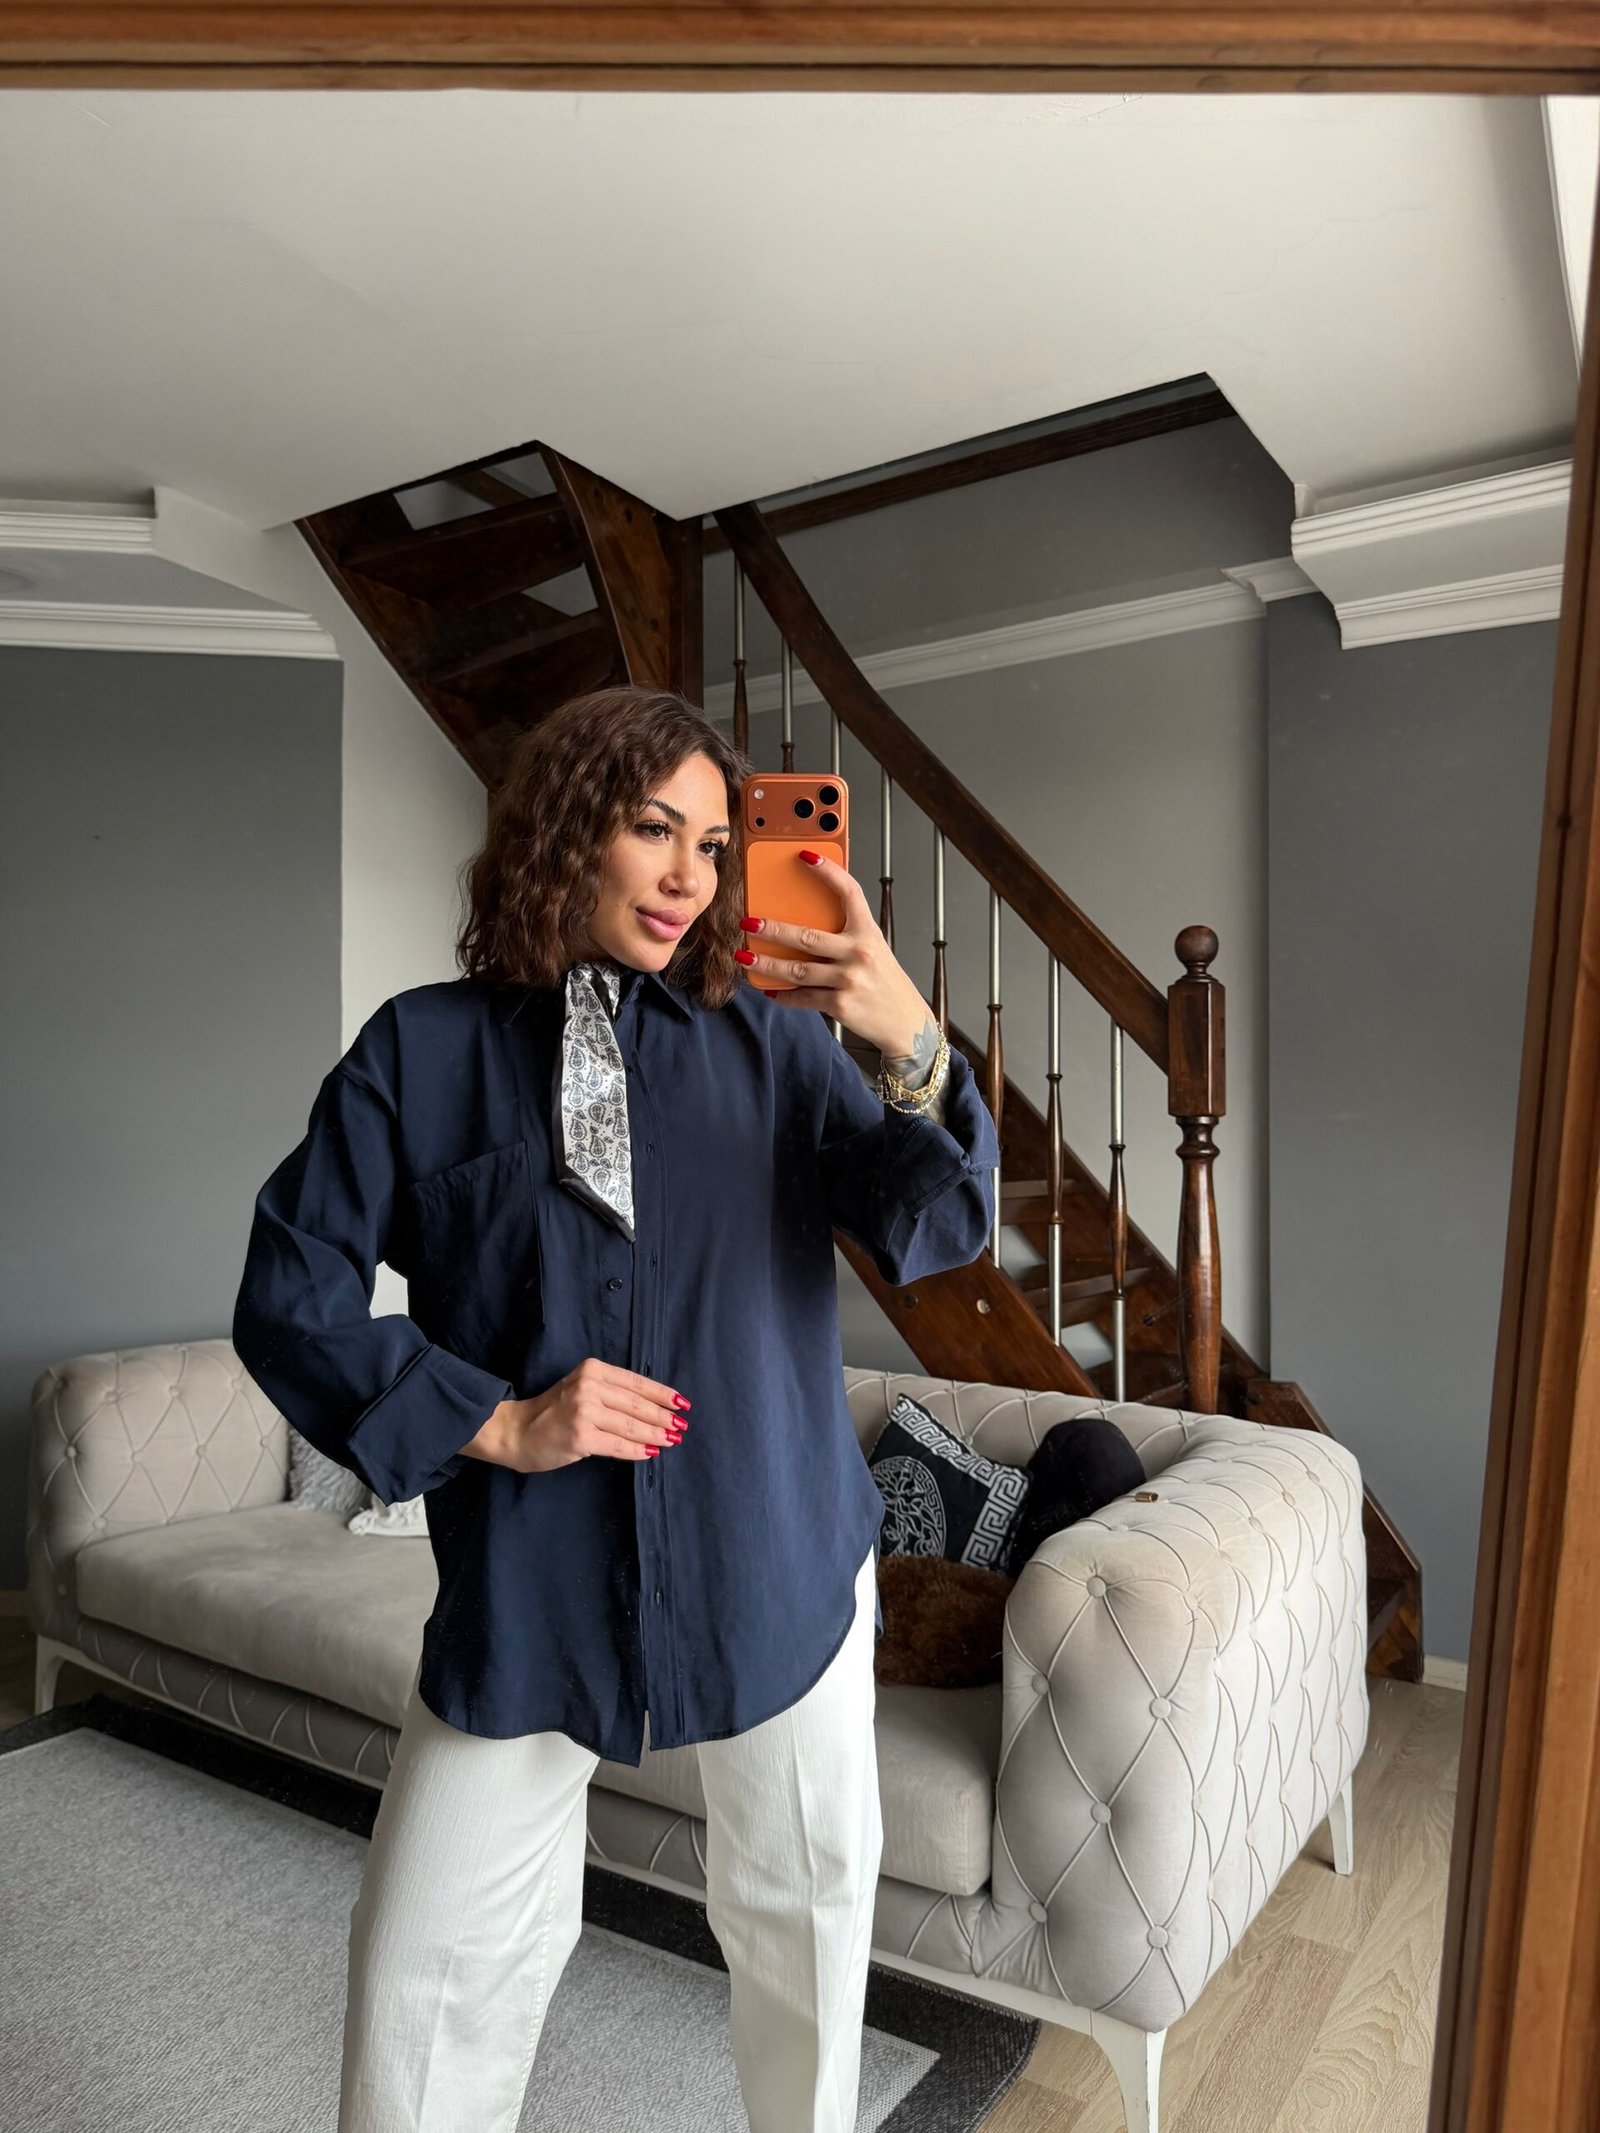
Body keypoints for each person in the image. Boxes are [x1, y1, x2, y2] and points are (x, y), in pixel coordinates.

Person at [231, 684, 1001, 2133]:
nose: (688, 878)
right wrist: (494, 1421)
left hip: (772, 1550)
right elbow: (290, 1295)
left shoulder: (776, 1044)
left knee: (806, 1924)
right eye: (654, 828)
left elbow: (939, 1221)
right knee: (424, 1969)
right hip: (534, 1578)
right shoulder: (419, 1053)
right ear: (567, 825)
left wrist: (908, 1042)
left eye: (712, 845)